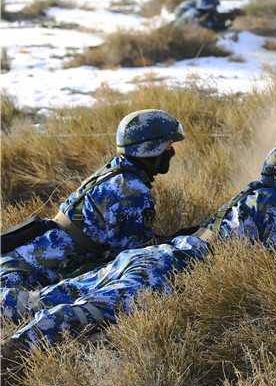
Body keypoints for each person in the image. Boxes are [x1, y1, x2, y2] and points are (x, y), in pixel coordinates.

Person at [0, 109, 184, 304]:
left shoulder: (116, 169)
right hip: (23, 275)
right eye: (168, 146)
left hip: (22, 259)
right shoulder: (131, 190)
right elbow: (132, 255)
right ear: (150, 149)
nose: (171, 152)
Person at [3, 235, 208, 351]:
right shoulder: (130, 182)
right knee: (89, 310)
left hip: (157, 253)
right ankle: (15, 350)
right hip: (169, 268)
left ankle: (14, 330)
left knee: (36, 301)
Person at [172, 0, 243, 32]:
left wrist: (228, 15)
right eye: (215, 7)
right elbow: (218, 28)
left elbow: (217, 19)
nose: (216, 9)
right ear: (209, 7)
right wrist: (230, 20)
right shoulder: (198, 16)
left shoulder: (198, 12)